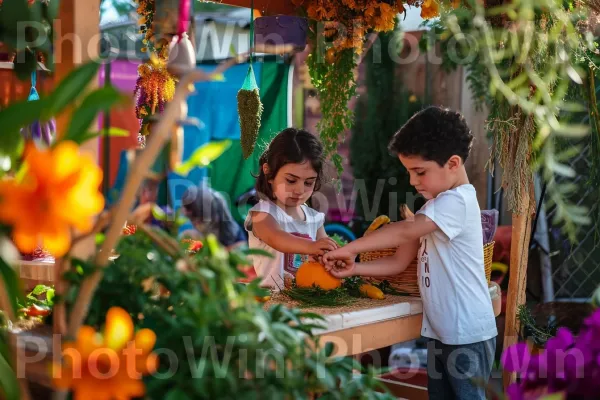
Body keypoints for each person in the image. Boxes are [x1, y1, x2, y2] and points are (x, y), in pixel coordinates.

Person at [323, 106, 497, 400]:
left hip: (467, 334)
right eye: (409, 172)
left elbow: (402, 231)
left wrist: (349, 248)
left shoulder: (459, 201)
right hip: (442, 332)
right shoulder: (432, 208)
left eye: (420, 172)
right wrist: (354, 268)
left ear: (453, 163)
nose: (413, 181)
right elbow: (399, 260)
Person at [244, 128, 338, 289]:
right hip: (270, 303)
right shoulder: (262, 213)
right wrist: (311, 246)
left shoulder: (314, 218)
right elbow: (276, 238)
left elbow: (323, 250)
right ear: (269, 172)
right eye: (291, 180)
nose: (300, 190)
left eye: (308, 182)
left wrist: (332, 255)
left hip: (308, 298)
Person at [180, 184, 246, 250]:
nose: (195, 223)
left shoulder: (217, 214)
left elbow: (240, 244)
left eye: (196, 220)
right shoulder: (195, 207)